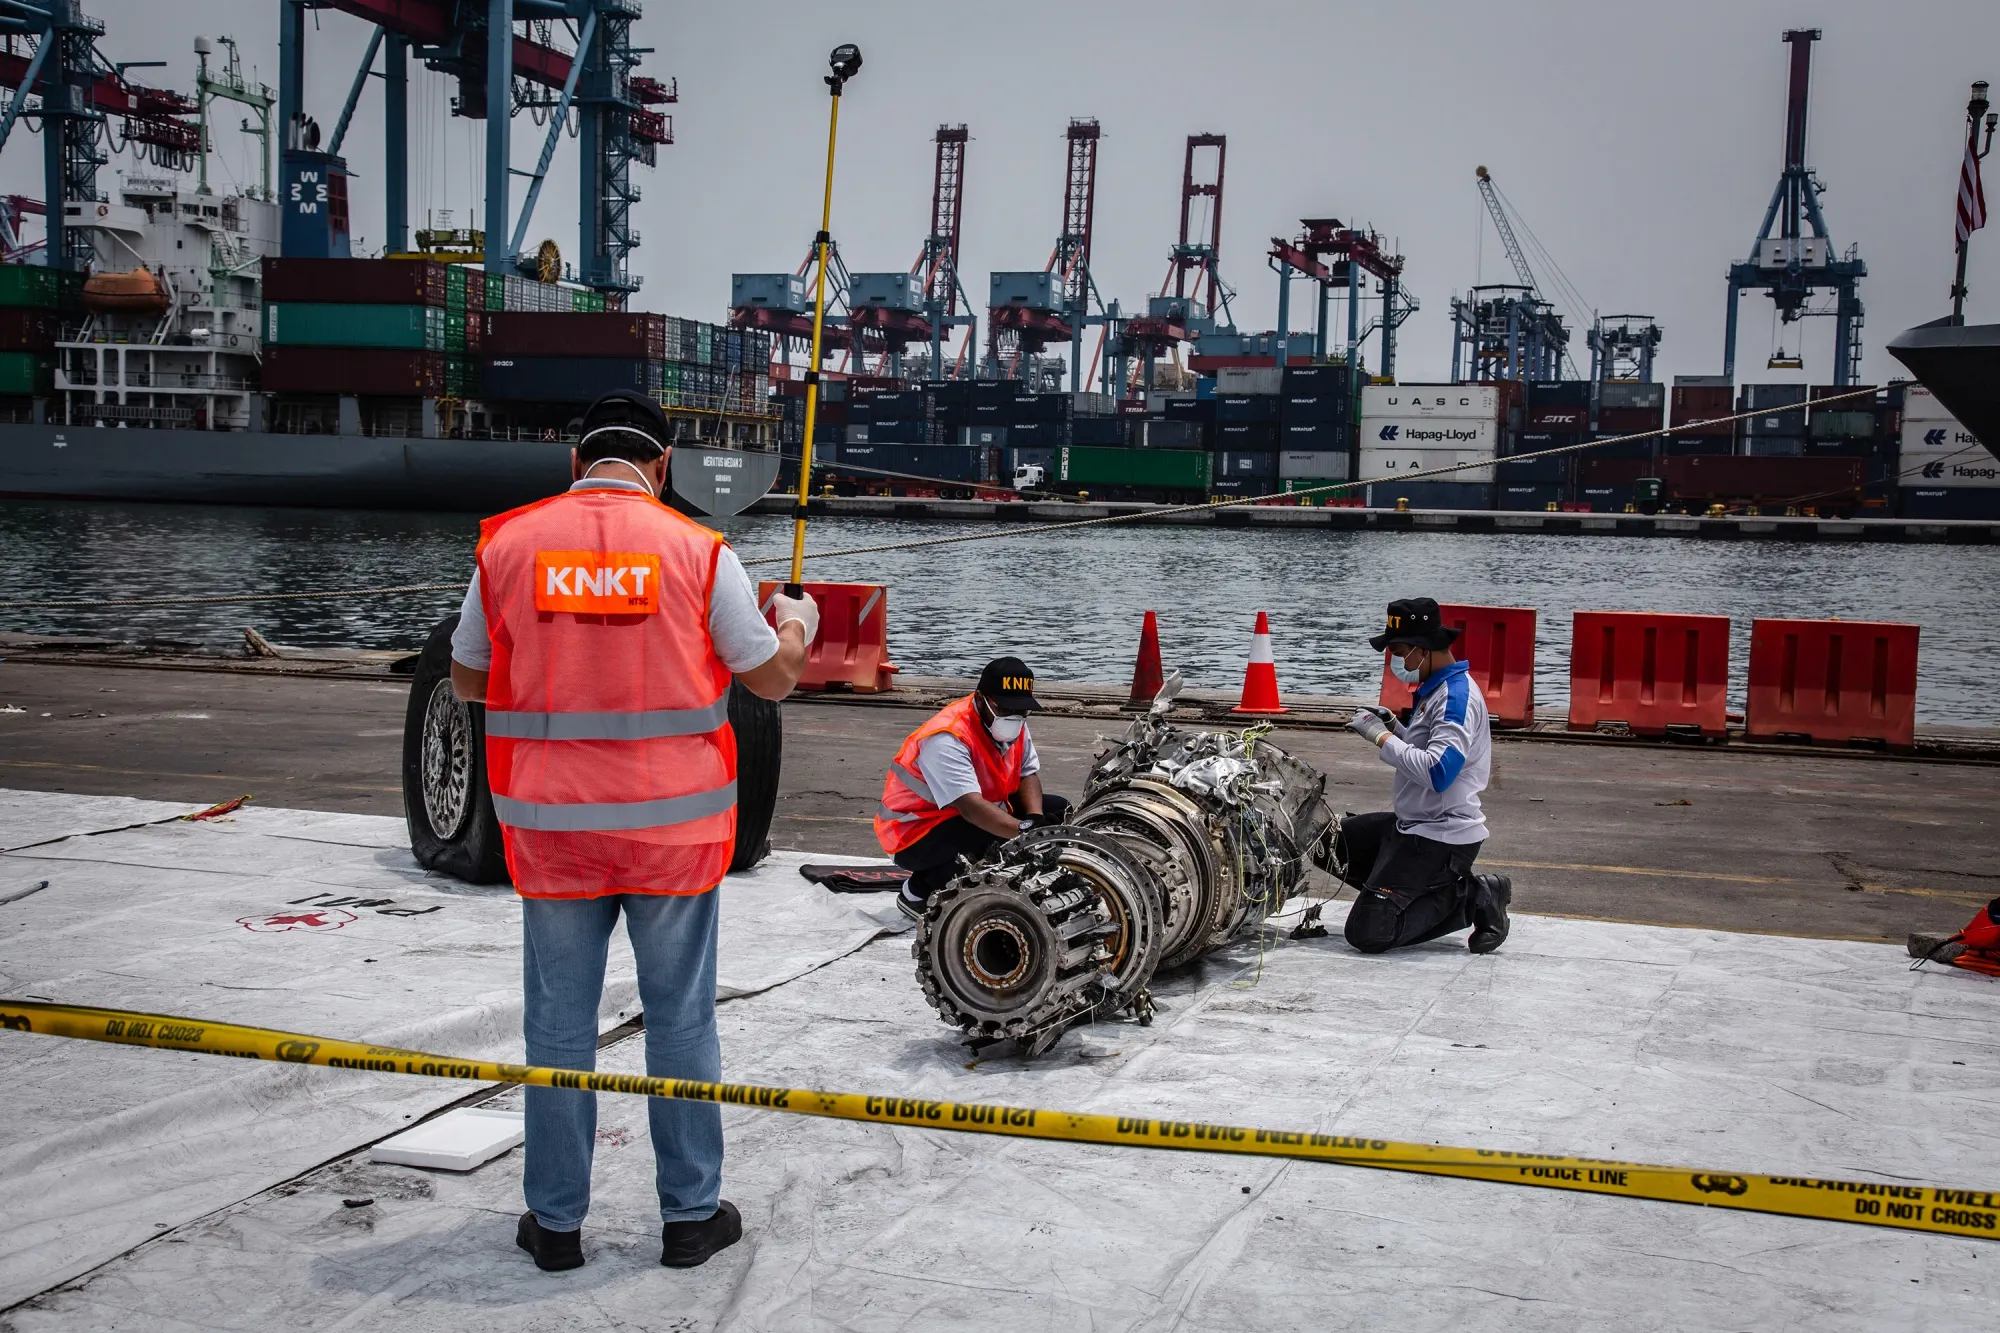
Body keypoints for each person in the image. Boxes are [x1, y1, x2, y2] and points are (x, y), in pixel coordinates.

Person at [447, 389, 820, 1273]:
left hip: (552, 832)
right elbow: (768, 680)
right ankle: (690, 1216)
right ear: (662, 466)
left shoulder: (506, 545)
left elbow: (465, 679)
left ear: (577, 463)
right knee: (682, 1023)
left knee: (559, 1028)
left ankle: (556, 1224)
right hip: (673, 834)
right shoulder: (698, 551)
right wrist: (796, 622)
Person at [1338, 598, 1512, 955]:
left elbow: (1438, 771)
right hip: (1412, 823)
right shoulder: (1434, 689)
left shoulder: (1456, 697)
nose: (1397, 662)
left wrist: (1380, 738)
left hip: (1441, 836)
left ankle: (1476, 895)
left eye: (1400, 652)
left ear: (1422, 648)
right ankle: (1397, 891)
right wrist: (1395, 727)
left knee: (1369, 933)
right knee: (1325, 841)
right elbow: (1426, 749)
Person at [875, 655, 1070, 920]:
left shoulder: (1013, 724)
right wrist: (1026, 833)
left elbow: (1028, 774)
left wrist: (1035, 819)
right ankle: (918, 891)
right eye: (1005, 709)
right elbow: (972, 809)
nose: (1015, 716)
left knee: (1059, 811)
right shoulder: (947, 736)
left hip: (975, 810)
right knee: (996, 839)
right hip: (916, 832)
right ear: (980, 699)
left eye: (1021, 710)